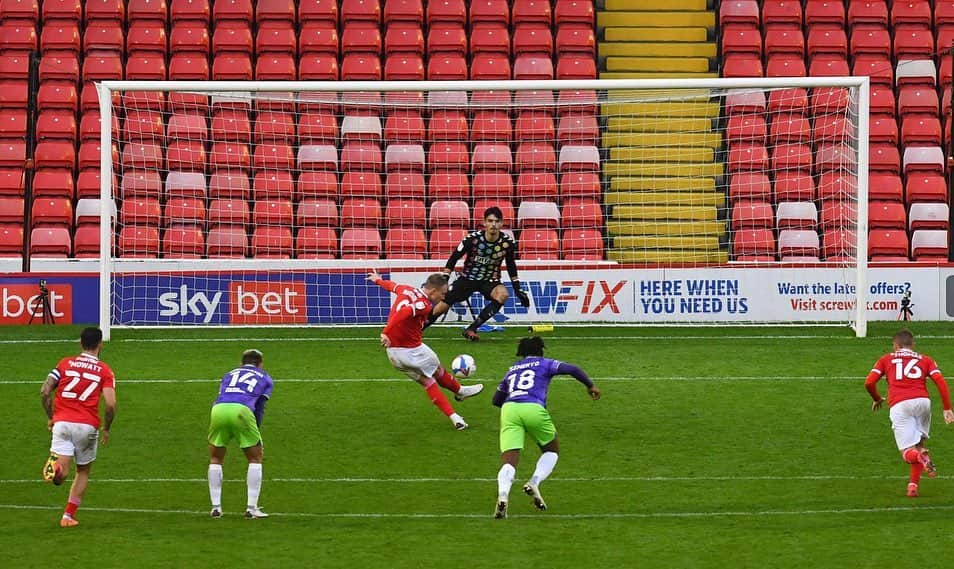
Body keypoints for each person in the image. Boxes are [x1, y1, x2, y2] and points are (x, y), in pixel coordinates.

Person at [491, 336, 600, 518]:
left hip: (509, 410)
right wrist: (590, 385)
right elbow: (572, 369)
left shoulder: (512, 370)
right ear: (540, 350)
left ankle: (503, 494)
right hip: (533, 407)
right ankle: (534, 481)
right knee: (551, 450)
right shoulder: (545, 363)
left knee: (510, 459)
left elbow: (496, 400)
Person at [368, 270, 484, 430]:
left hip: (393, 354)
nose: (443, 298)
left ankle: (455, 418)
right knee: (437, 370)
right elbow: (404, 312)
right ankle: (460, 391)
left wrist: (378, 280)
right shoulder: (424, 305)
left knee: (427, 381)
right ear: (433, 291)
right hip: (413, 351)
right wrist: (385, 332)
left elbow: (393, 286)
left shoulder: (407, 289)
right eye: (442, 294)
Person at [40, 327, 117, 528]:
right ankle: (67, 516)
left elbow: (44, 391)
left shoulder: (64, 364)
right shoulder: (105, 370)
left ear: (80, 343)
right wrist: (107, 428)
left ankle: (56, 468)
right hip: (87, 426)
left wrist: (51, 417)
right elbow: (110, 404)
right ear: (100, 344)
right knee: (82, 471)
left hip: (62, 423)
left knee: (62, 473)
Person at [865, 329, 954, 497]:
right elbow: (941, 382)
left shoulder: (886, 359)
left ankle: (920, 458)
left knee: (908, 453)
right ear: (913, 345)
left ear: (895, 345)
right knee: (920, 447)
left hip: (901, 404)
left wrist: (877, 398)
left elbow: (869, 382)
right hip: (923, 403)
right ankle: (912, 487)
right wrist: (947, 408)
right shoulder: (926, 359)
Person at [427, 206, 531, 342]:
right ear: (484, 222)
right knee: (442, 306)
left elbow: (511, 265)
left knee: (503, 294)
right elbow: (454, 257)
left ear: (501, 223)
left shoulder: (508, 243)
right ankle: (420, 327)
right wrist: (445, 278)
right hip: (468, 278)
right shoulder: (472, 239)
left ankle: (472, 328)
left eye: (496, 221)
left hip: (490, 280)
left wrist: (518, 289)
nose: (493, 224)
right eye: (490, 221)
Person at [207, 349, 273, 519]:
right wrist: (256, 428)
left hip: (218, 409)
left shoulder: (228, 374)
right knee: (255, 458)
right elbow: (259, 407)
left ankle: (216, 507)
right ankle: (251, 509)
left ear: (241, 363)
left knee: (215, 458)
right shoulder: (265, 377)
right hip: (242, 410)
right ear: (260, 363)